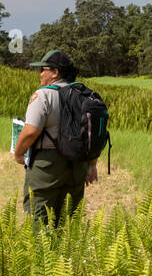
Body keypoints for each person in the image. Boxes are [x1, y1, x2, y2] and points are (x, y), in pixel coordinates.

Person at [13, 48, 98, 225]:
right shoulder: (85, 96)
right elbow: (92, 135)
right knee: (68, 222)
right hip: (77, 165)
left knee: (39, 220)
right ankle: (67, 253)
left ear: (55, 73)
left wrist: (19, 153)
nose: (40, 74)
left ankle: (41, 253)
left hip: (47, 166)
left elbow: (30, 131)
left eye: (43, 69)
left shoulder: (43, 95)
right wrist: (91, 166)